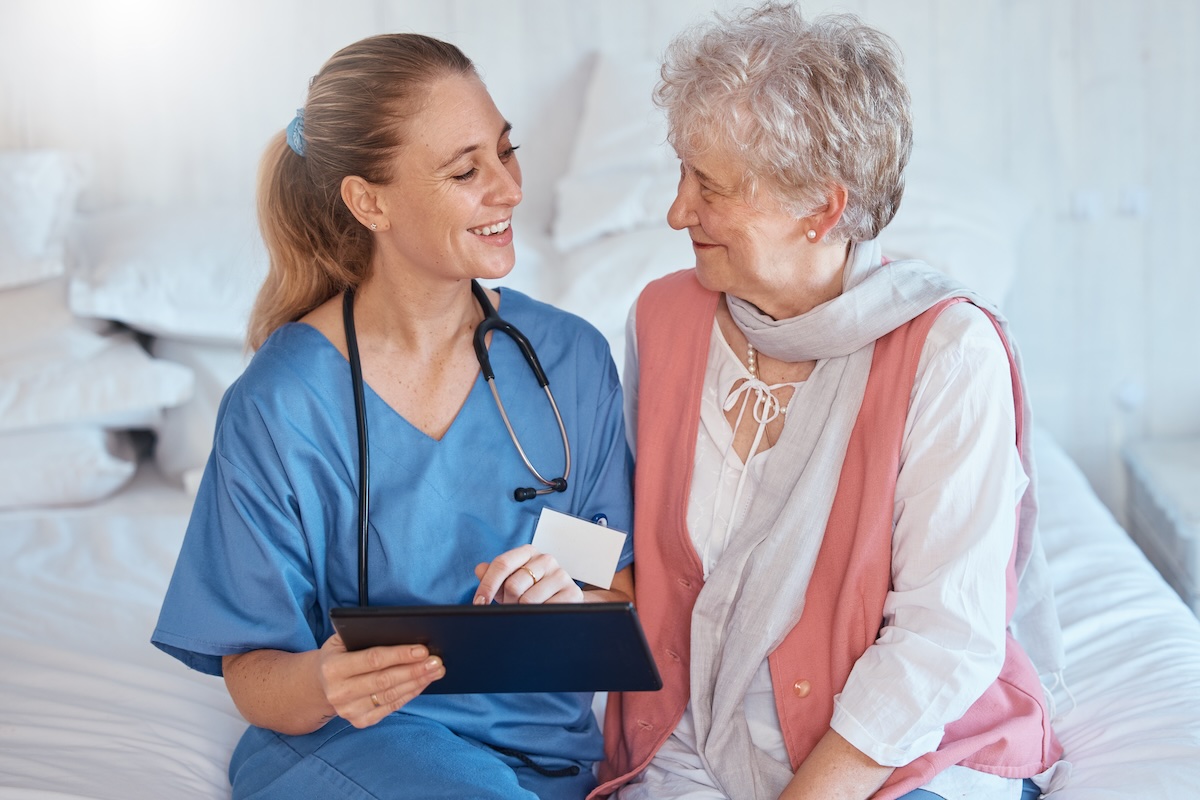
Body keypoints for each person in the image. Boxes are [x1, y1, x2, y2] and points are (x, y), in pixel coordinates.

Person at [591, 4, 1067, 800]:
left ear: (821, 209)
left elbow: (944, 637)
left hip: (894, 755)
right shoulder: (662, 317)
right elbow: (625, 538)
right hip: (691, 740)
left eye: (709, 186)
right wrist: (549, 573)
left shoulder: (949, 351)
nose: (678, 211)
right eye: (682, 174)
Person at [152, 33, 634, 800]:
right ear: (368, 201)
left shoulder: (569, 363)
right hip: (360, 745)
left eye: (507, 152)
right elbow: (252, 673)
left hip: (552, 763)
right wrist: (325, 679)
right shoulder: (281, 404)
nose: (509, 189)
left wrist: (571, 596)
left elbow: (617, 581)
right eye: (465, 170)